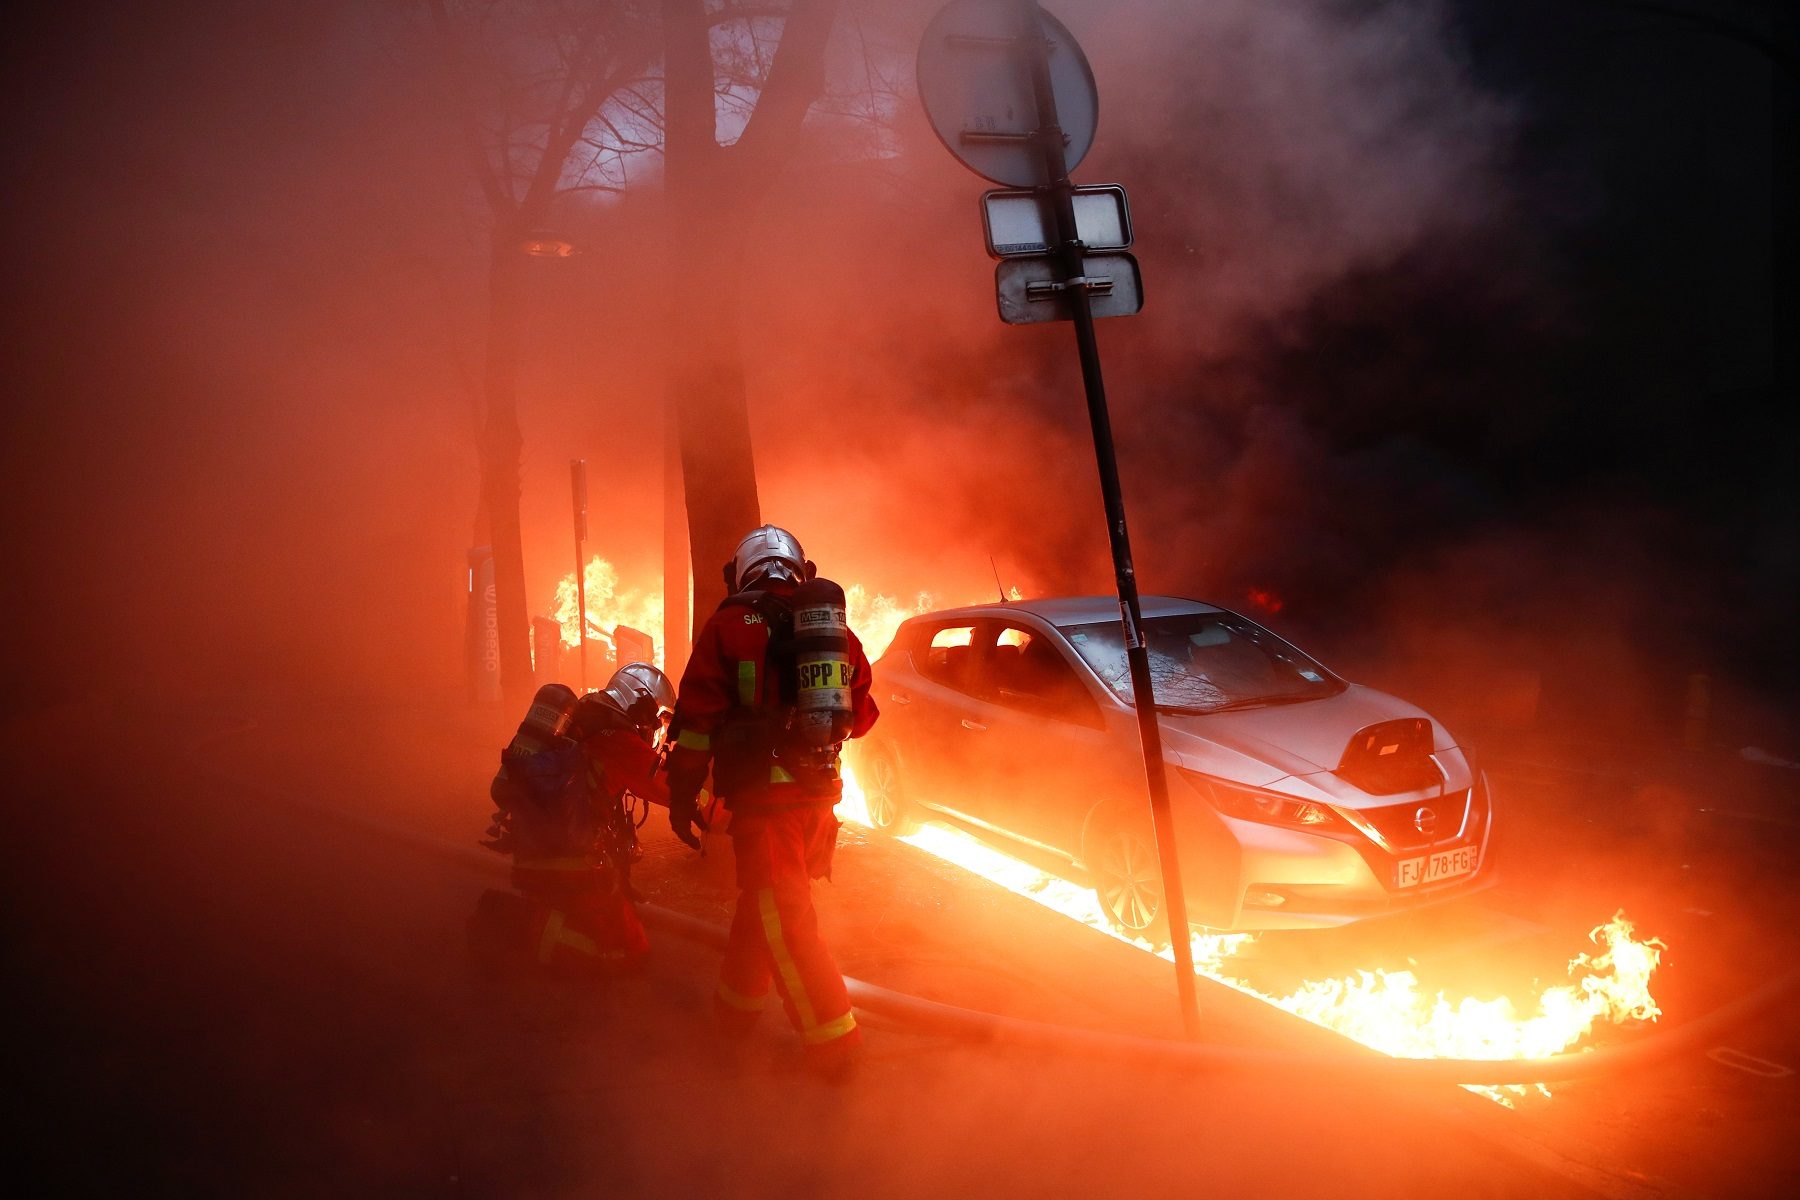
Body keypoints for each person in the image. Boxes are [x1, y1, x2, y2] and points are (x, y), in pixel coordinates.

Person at [663, 524, 878, 1075]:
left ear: (742, 571)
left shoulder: (729, 625)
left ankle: (835, 1046)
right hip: (817, 805)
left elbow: (695, 725)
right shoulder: (834, 633)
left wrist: (684, 794)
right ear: (799, 571)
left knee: (786, 922)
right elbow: (863, 716)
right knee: (764, 908)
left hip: (765, 809)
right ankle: (734, 1011)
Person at [471, 663, 675, 977]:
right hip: (573, 864)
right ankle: (512, 922)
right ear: (641, 702)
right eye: (657, 717)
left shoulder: (584, 720)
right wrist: (731, 809)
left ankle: (539, 932)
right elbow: (673, 791)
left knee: (621, 932)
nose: (656, 729)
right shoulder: (619, 741)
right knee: (626, 953)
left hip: (540, 849)